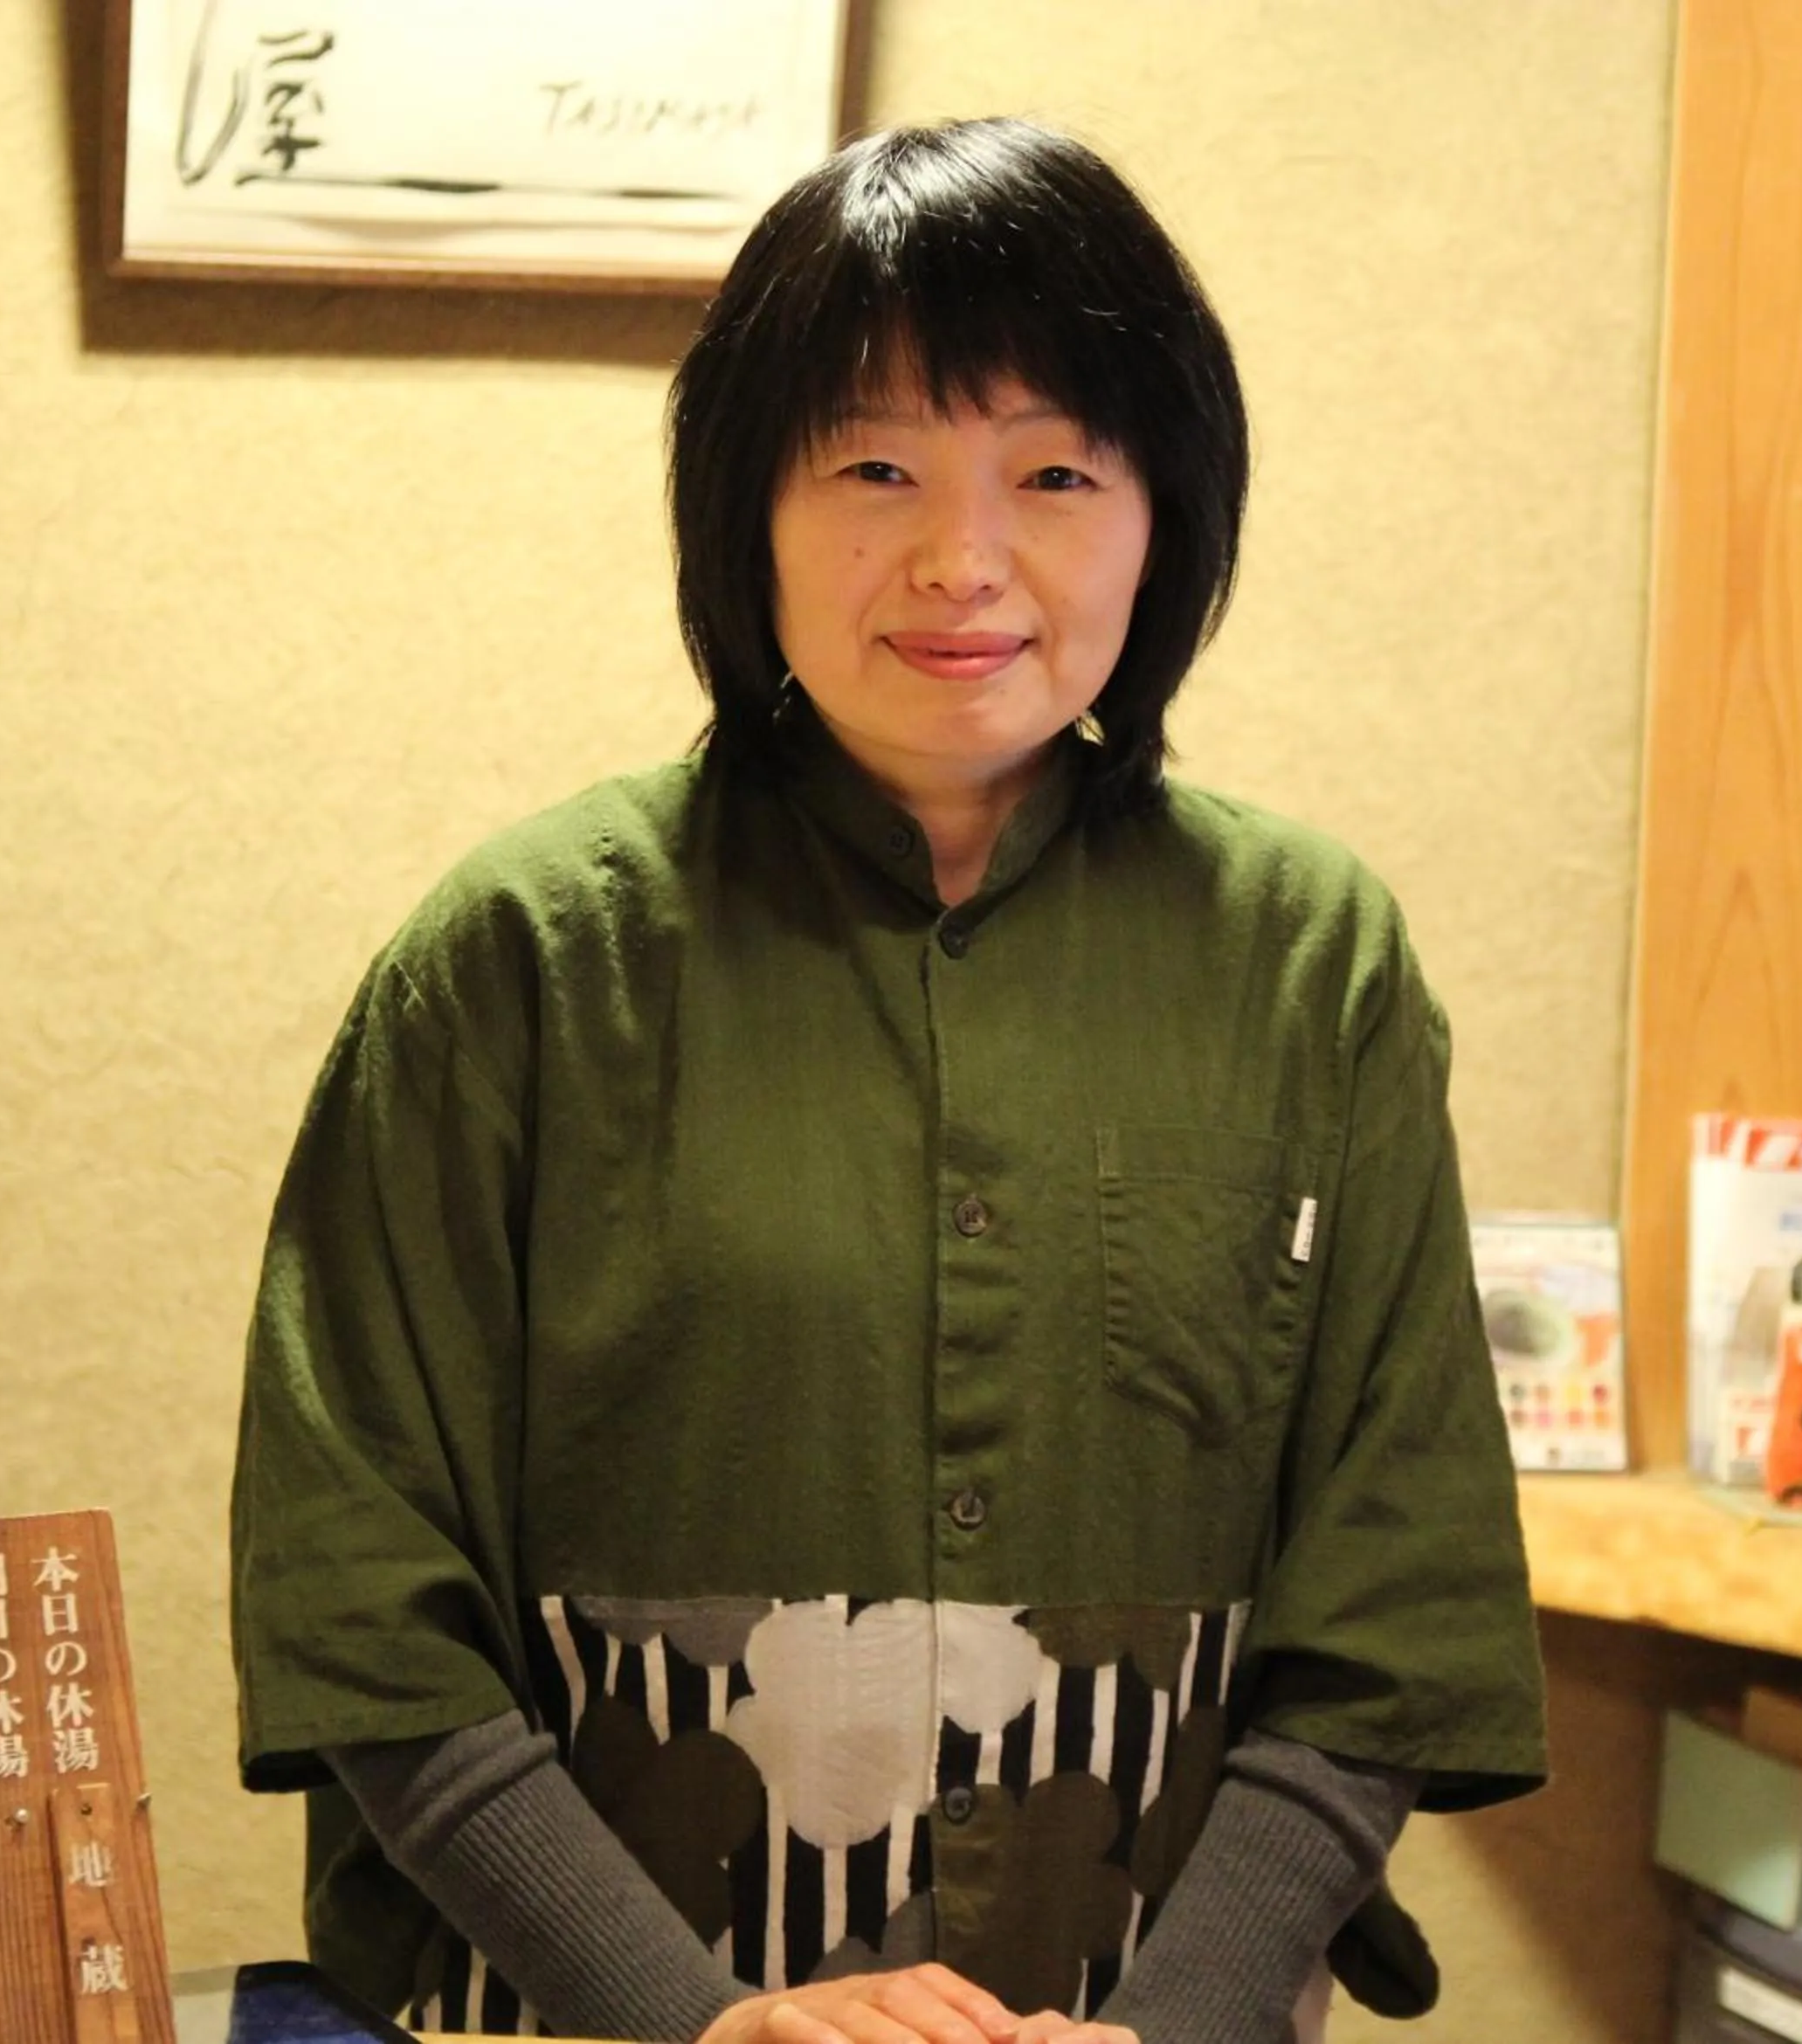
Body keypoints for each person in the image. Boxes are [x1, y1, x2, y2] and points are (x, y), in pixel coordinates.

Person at [231, 116, 1546, 2044]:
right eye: (875, 466)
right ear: (742, 509)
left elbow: (1394, 1595)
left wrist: (1176, 2026)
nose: (963, 558)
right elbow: (360, 1587)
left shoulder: (1309, 963)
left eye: (1055, 472)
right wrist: (690, 2017)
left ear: (1163, 510)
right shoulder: (518, 956)